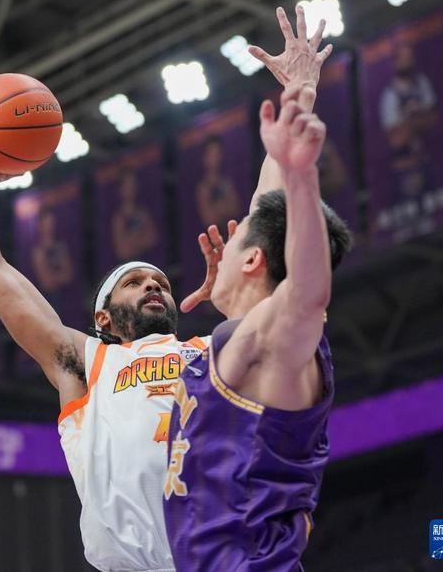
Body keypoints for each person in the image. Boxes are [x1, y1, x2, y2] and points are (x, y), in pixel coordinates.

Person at [0, 5, 332, 572]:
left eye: (159, 280)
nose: (153, 285)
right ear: (103, 318)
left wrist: (298, 96)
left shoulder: (213, 354)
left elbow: (265, 225)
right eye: (133, 283)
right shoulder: (85, 364)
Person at [163, 70, 352, 568]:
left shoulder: (276, 339)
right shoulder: (245, 336)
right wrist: (297, 100)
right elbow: (264, 210)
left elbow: (306, 293)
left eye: (234, 239)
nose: (220, 246)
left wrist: (302, 175)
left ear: (253, 260)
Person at [379, 42, 438, 201]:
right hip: (405, 165)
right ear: (395, 62)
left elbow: (433, 119)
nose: (406, 62)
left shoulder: (422, 83)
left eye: (409, 58)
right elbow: (396, 139)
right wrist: (416, 120)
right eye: (403, 58)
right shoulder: (389, 95)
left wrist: (409, 122)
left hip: (428, 157)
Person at [195, 135, 241, 232]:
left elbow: (235, 208)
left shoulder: (226, 182)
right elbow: (209, 219)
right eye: (211, 154)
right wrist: (225, 207)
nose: (215, 158)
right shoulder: (203, 188)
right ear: (205, 157)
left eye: (217, 153)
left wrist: (217, 208)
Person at [111, 169, 158, 261]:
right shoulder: (118, 219)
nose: (131, 188)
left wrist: (132, 241)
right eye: (127, 184)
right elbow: (123, 252)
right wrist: (140, 239)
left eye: (133, 183)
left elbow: (152, 239)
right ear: (120, 189)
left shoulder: (143, 213)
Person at [31, 205, 74, 292]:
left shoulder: (60, 247)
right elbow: (46, 283)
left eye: (51, 223)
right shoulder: (38, 252)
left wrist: (54, 277)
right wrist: (60, 275)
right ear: (40, 226)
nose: (49, 227)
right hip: (46, 297)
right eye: (46, 223)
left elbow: (69, 275)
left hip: (66, 295)